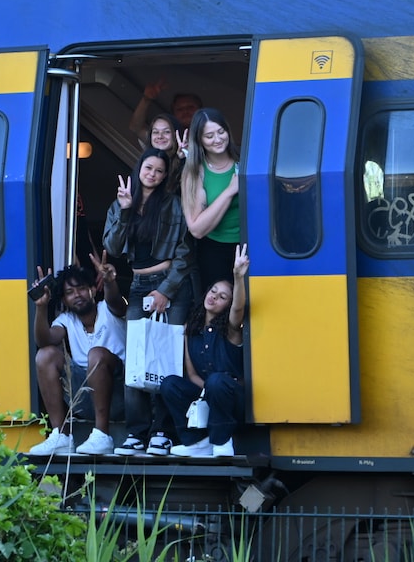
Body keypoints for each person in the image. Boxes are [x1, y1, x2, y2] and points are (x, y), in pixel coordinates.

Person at [103, 148, 196, 456]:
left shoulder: (171, 204)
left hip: (170, 283)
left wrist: (166, 291)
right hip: (139, 284)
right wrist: (126, 209)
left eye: (158, 170)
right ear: (138, 168)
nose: (152, 174)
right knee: (138, 358)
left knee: (168, 358)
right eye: (148, 168)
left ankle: (162, 432)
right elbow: (113, 247)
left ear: (164, 174)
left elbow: (185, 251)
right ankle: (136, 432)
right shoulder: (121, 202)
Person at [27, 254, 126, 456]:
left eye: (81, 288)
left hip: (120, 395)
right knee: (45, 355)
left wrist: (109, 282)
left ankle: (102, 435)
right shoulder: (66, 319)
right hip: (85, 398)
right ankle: (61, 436)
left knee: (96, 354)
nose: (77, 295)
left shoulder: (108, 309)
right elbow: (44, 341)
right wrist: (41, 307)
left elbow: (116, 301)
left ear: (92, 290)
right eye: (70, 292)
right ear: (64, 299)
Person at [160, 244, 249, 457]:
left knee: (217, 381)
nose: (214, 297)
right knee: (170, 383)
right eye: (213, 291)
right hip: (207, 393)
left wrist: (238, 277)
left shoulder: (231, 329)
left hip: (232, 397)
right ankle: (197, 441)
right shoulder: (191, 329)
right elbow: (191, 375)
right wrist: (205, 392)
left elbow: (238, 308)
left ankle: (222, 440)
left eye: (222, 297)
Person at [180, 107, 241, 290]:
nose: (217, 139)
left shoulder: (244, 159)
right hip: (215, 252)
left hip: (253, 245)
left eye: (221, 132)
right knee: (220, 311)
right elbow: (197, 229)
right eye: (209, 136)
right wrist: (230, 191)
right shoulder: (194, 172)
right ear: (199, 140)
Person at [129, 77, 203, 145]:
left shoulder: (212, 136)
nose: (186, 111)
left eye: (190, 107)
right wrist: (146, 99)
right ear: (173, 114)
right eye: (180, 109)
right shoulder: (165, 139)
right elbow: (136, 128)